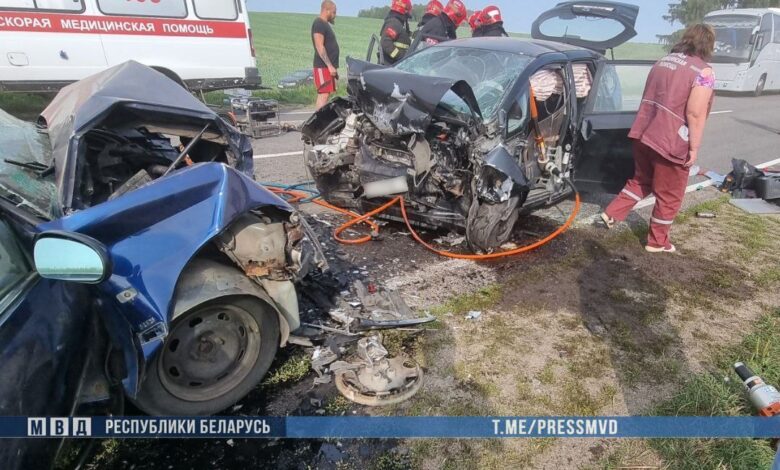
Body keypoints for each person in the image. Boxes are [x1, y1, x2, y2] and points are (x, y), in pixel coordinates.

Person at [600, 24, 716, 253]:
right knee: (670, 194)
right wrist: (694, 148)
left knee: (641, 180)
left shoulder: (663, 61)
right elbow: (695, 113)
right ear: (708, 44)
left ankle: (611, 212)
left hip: (644, 132)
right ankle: (657, 242)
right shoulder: (704, 72)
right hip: (671, 141)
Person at [311, 1, 339, 110]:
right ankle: (319, 119)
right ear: (327, 10)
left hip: (327, 67)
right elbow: (319, 46)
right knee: (323, 94)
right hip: (322, 67)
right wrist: (330, 66)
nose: (335, 15)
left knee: (326, 94)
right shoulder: (319, 23)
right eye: (334, 12)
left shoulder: (325, 24)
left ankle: (321, 118)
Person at [380, 0, 413, 65]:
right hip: (391, 65)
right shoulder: (394, 23)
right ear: (405, 11)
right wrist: (400, 57)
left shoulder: (397, 23)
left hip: (394, 65)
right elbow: (385, 43)